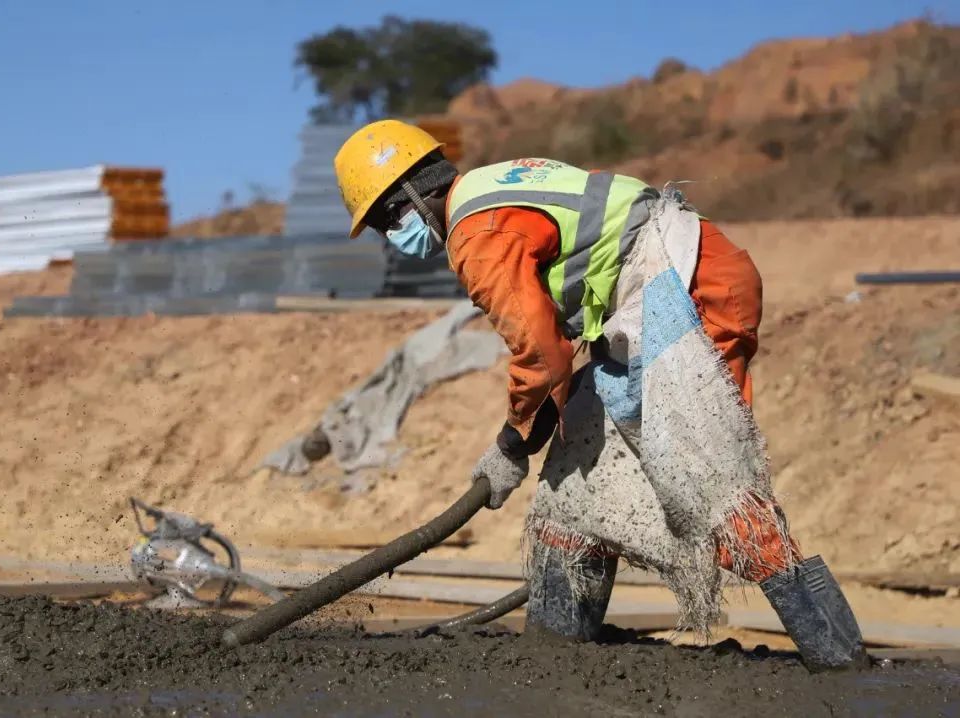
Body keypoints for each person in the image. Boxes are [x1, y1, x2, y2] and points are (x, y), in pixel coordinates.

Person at [333, 119, 868, 671]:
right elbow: (555, 352)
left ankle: (841, 661)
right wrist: (529, 438)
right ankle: (558, 656)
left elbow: (540, 357)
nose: (390, 237)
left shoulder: (477, 233)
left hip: (688, 290)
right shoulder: (493, 188)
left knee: (708, 483)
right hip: (661, 291)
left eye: (385, 222)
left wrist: (511, 446)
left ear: (414, 198)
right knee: (571, 481)